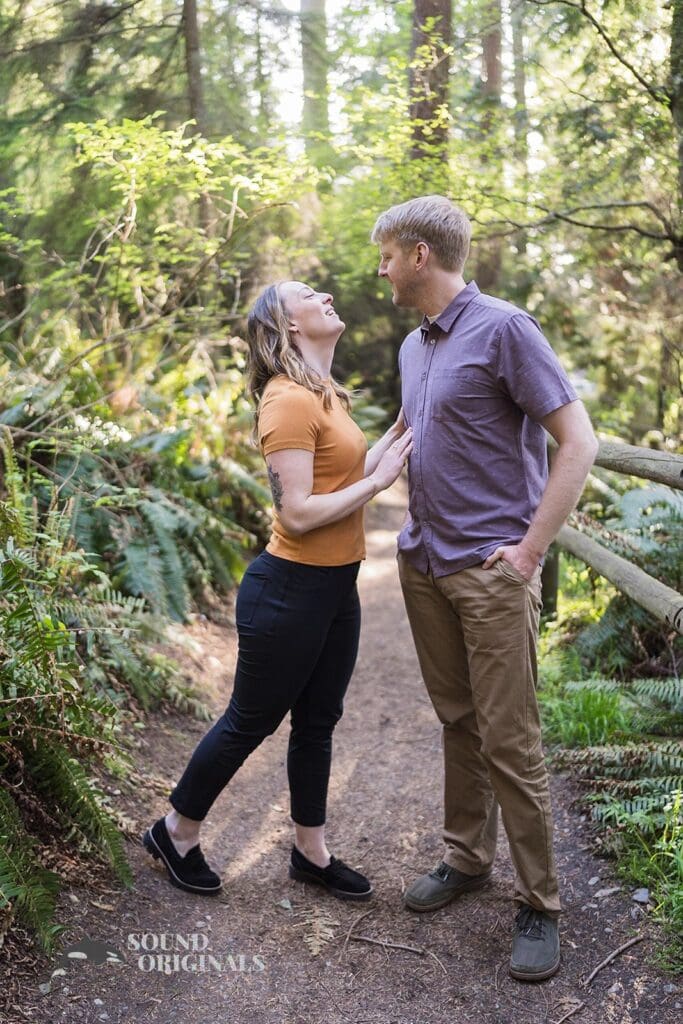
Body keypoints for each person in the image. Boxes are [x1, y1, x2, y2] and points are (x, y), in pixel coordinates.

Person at [371, 196, 598, 981]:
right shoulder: (412, 347)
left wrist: (529, 552)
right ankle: (467, 859)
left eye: (387, 256)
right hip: (425, 562)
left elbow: (578, 440)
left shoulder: (504, 327)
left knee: (510, 736)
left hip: (491, 572)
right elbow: (404, 433)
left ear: (419, 255)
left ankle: (540, 903)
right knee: (457, 719)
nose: (381, 270)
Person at [143, 280, 412, 901]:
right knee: (250, 721)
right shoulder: (286, 400)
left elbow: (343, 474)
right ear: (288, 325)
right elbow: (297, 513)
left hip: (335, 587)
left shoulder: (323, 395)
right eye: (307, 293)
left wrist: (391, 443)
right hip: (289, 588)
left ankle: (309, 853)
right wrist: (381, 484)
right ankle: (175, 831)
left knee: (318, 721)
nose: (324, 294)